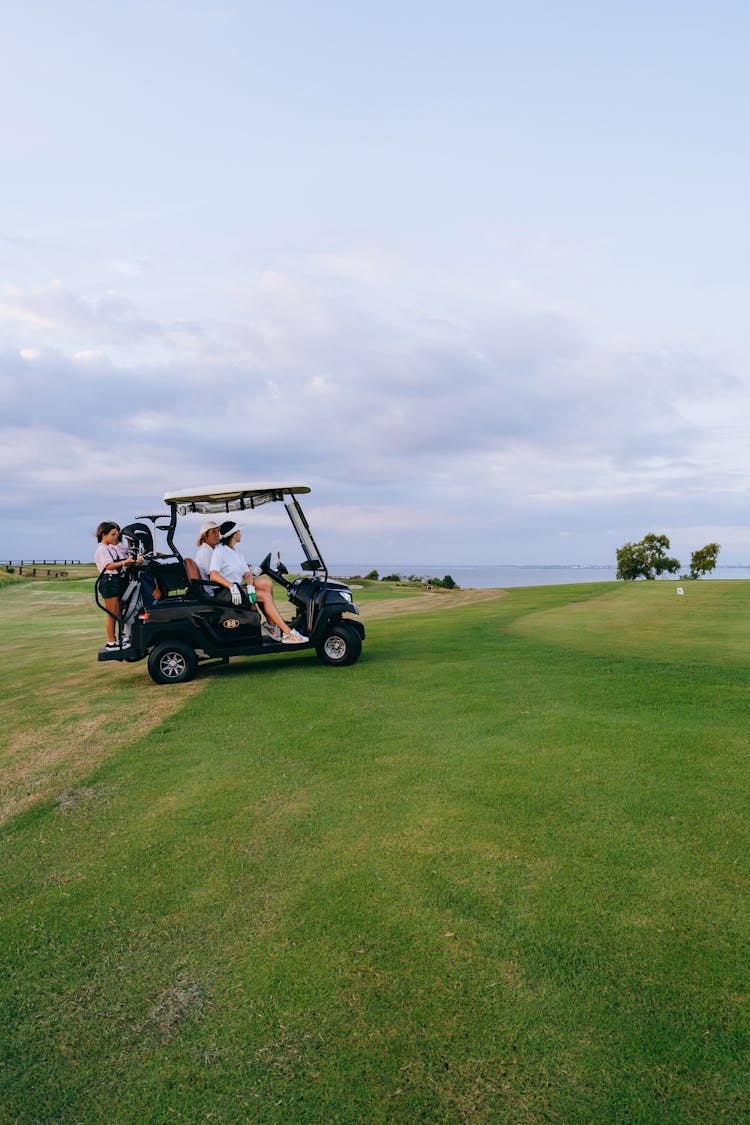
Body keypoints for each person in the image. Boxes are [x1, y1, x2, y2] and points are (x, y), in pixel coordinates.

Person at [209, 521, 308, 644]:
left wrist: (250, 587)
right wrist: (231, 587)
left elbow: (247, 574)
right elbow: (213, 575)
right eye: (238, 531)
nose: (240, 533)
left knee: (266, 582)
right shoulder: (219, 552)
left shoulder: (237, 553)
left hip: (238, 589)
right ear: (233, 534)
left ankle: (271, 624)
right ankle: (288, 633)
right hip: (226, 592)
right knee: (265, 596)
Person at [94, 521, 143, 649]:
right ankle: (111, 642)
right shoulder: (101, 549)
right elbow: (108, 565)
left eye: (117, 534)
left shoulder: (110, 547)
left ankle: (120, 638)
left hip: (114, 580)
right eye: (113, 534)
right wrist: (125, 562)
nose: (116, 537)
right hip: (108, 581)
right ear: (103, 535)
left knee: (118, 612)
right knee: (112, 613)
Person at [194, 521, 220, 595]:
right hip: (213, 593)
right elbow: (213, 576)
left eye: (218, 531)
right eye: (213, 532)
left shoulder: (212, 551)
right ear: (205, 535)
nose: (218, 535)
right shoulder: (205, 552)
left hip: (216, 589)